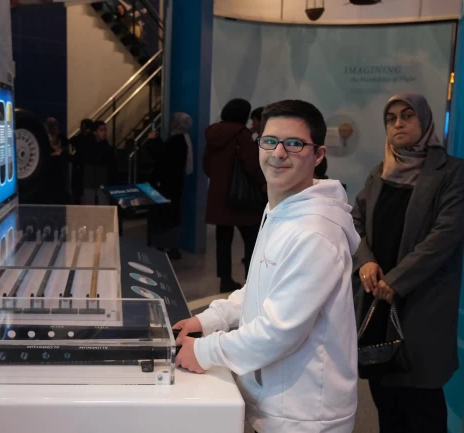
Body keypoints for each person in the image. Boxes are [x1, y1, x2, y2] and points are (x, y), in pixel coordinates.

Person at [175, 100, 360, 433]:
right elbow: (259, 289)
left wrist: (204, 351)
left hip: (304, 416)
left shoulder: (314, 233)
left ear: (318, 155)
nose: (278, 153)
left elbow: (278, 331)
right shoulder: (281, 207)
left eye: (294, 143)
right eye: (269, 141)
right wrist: (210, 319)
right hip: (276, 402)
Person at [351, 92, 464, 433]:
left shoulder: (452, 172)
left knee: (423, 403)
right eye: (391, 118)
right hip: (377, 300)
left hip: (422, 301)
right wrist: (365, 261)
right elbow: (355, 222)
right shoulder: (380, 173)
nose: (398, 123)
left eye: (407, 115)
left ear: (425, 120)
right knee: (386, 400)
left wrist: (397, 280)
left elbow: (446, 235)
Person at [204, 98, 266, 293]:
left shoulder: (212, 133)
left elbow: (206, 165)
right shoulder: (242, 134)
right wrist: (262, 183)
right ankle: (250, 280)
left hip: (219, 196)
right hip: (241, 197)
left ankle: (225, 280)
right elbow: (251, 166)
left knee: (223, 240)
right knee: (251, 238)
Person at [144, 113, 193, 260]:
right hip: (173, 186)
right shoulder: (181, 140)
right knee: (170, 216)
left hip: (166, 186)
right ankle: (169, 246)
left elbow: (161, 155)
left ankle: (165, 246)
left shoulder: (177, 141)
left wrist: (151, 140)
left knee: (165, 217)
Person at [77, 120, 118, 205]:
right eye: (101, 130)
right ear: (95, 132)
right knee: (88, 206)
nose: (104, 133)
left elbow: (112, 167)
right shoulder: (87, 146)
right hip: (89, 182)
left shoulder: (108, 148)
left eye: (105, 130)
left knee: (103, 205)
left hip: (103, 182)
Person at [42, 117, 71, 204]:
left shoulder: (60, 138)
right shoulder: (44, 139)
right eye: (52, 125)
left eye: (55, 124)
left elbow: (66, 145)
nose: (54, 127)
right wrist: (53, 154)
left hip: (61, 174)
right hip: (49, 173)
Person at [70, 119, 94, 204]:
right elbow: (72, 140)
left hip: (85, 166)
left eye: (82, 127)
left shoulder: (90, 139)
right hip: (79, 165)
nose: (80, 128)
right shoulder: (81, 138)